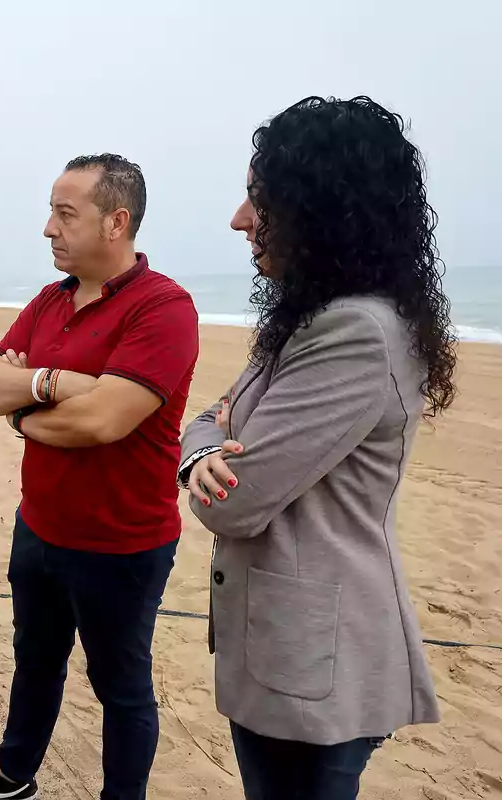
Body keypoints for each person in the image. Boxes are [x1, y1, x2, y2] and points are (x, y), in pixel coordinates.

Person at [179, 96, 457, 800]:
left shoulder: (354, 331)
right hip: (292, 654)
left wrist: (209, 442)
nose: (240, 221)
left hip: (317, 671)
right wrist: (200, 444)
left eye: (258, 200)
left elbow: (233, 503)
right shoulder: (313, 319)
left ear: (322, 206)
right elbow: (210, 417)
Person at [0, 155, 199, 800]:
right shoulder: (49, 300)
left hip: (122, 542)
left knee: (122, 687)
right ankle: (10, 777)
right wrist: (56, 385)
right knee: (36, 661)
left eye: (64, 213)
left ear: (117, 221)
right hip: (41, 524)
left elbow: (102, 422)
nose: (47, 228)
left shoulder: (164, 307)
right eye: (51, 211)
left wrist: (25, 409)